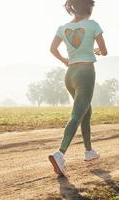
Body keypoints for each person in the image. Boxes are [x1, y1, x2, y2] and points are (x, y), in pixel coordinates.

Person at [48, 0, 108, 176]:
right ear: (88, 7)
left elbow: (52, 49)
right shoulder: (93, 25)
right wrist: (96, 51)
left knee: (85, 111)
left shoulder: (63, 27)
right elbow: (104, 51)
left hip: (70, 75)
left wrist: (65, 60)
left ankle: (89, 151)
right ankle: (60, 154)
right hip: (86, 74)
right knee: (76, 115)